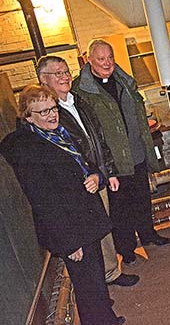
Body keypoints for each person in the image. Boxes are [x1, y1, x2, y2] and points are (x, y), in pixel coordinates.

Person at [0, 85, 125, 325]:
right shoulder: (28, 150)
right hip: (71, 228)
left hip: (84, 219)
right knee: (86, 283)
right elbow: (43, 201)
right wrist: (70, 242)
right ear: (28, 117)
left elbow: (87, 164)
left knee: (95, 279)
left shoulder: (59, 135)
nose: (52, 114)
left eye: (53, 108)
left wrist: (96, 177)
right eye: (43, 111)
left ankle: (103, 317)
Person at [37, 55, 139, 287]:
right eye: (58, 73)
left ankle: (110, 272)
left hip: (97, 176)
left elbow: (98, 139)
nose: (64, 77)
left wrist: (108, 172)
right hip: (78, 183)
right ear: (44, 80)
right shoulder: (48, 113)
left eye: (65, 72)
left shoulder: (78, 102)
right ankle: (100, 280)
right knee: (89, 234)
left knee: (104, 227)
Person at [72, 39, 170, 265]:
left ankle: (148, 234)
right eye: (101, 59)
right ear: (89, 60)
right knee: (120, 208)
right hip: (113, 161)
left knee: (142, 198)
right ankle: (126, 248)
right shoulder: (82, 91)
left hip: (135, 153)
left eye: (110, 57)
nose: (107, 63)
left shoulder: (124, 81)